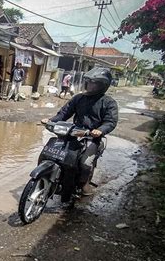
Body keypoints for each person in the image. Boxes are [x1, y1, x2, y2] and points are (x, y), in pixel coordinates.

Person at [41, 67, 118, 196]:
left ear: (102, 86)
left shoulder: (109, 103)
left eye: (94, 83)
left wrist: (99, 130)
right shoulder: (78, 98)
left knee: (84, 162)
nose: (90, 85)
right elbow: (64, 113)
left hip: (92, 138)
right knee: (54, 152)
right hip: (74, 132)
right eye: (89, 82)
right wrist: (50, 120)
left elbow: (110, 122)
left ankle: (83, 184)